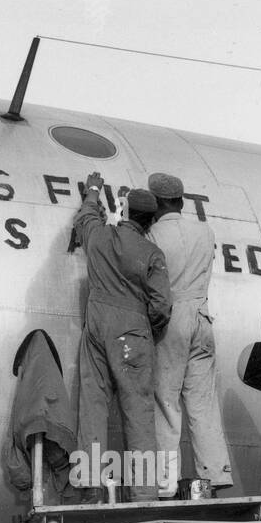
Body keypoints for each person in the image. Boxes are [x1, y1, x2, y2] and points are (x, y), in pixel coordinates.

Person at [74, 174, 172, 502]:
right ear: (152, 220)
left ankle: (89, 486)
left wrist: (92, 192)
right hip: (132, 333)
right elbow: (161, 305)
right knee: (138, 410)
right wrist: (148, 331)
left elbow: (86, 218)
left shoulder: (100, 237)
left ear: (127, 211)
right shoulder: (152, 254)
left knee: (92, 405)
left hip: (96, 325)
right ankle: (144, 493)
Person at [146, 172, 233, 497]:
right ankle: (215, 473)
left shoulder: (152, 235)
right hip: (202, 317)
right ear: (181, 201)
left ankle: (165, 483)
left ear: (156, 203)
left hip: (172, 319)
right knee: (202, 401)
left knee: (166, 400)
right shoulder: (204, 230)